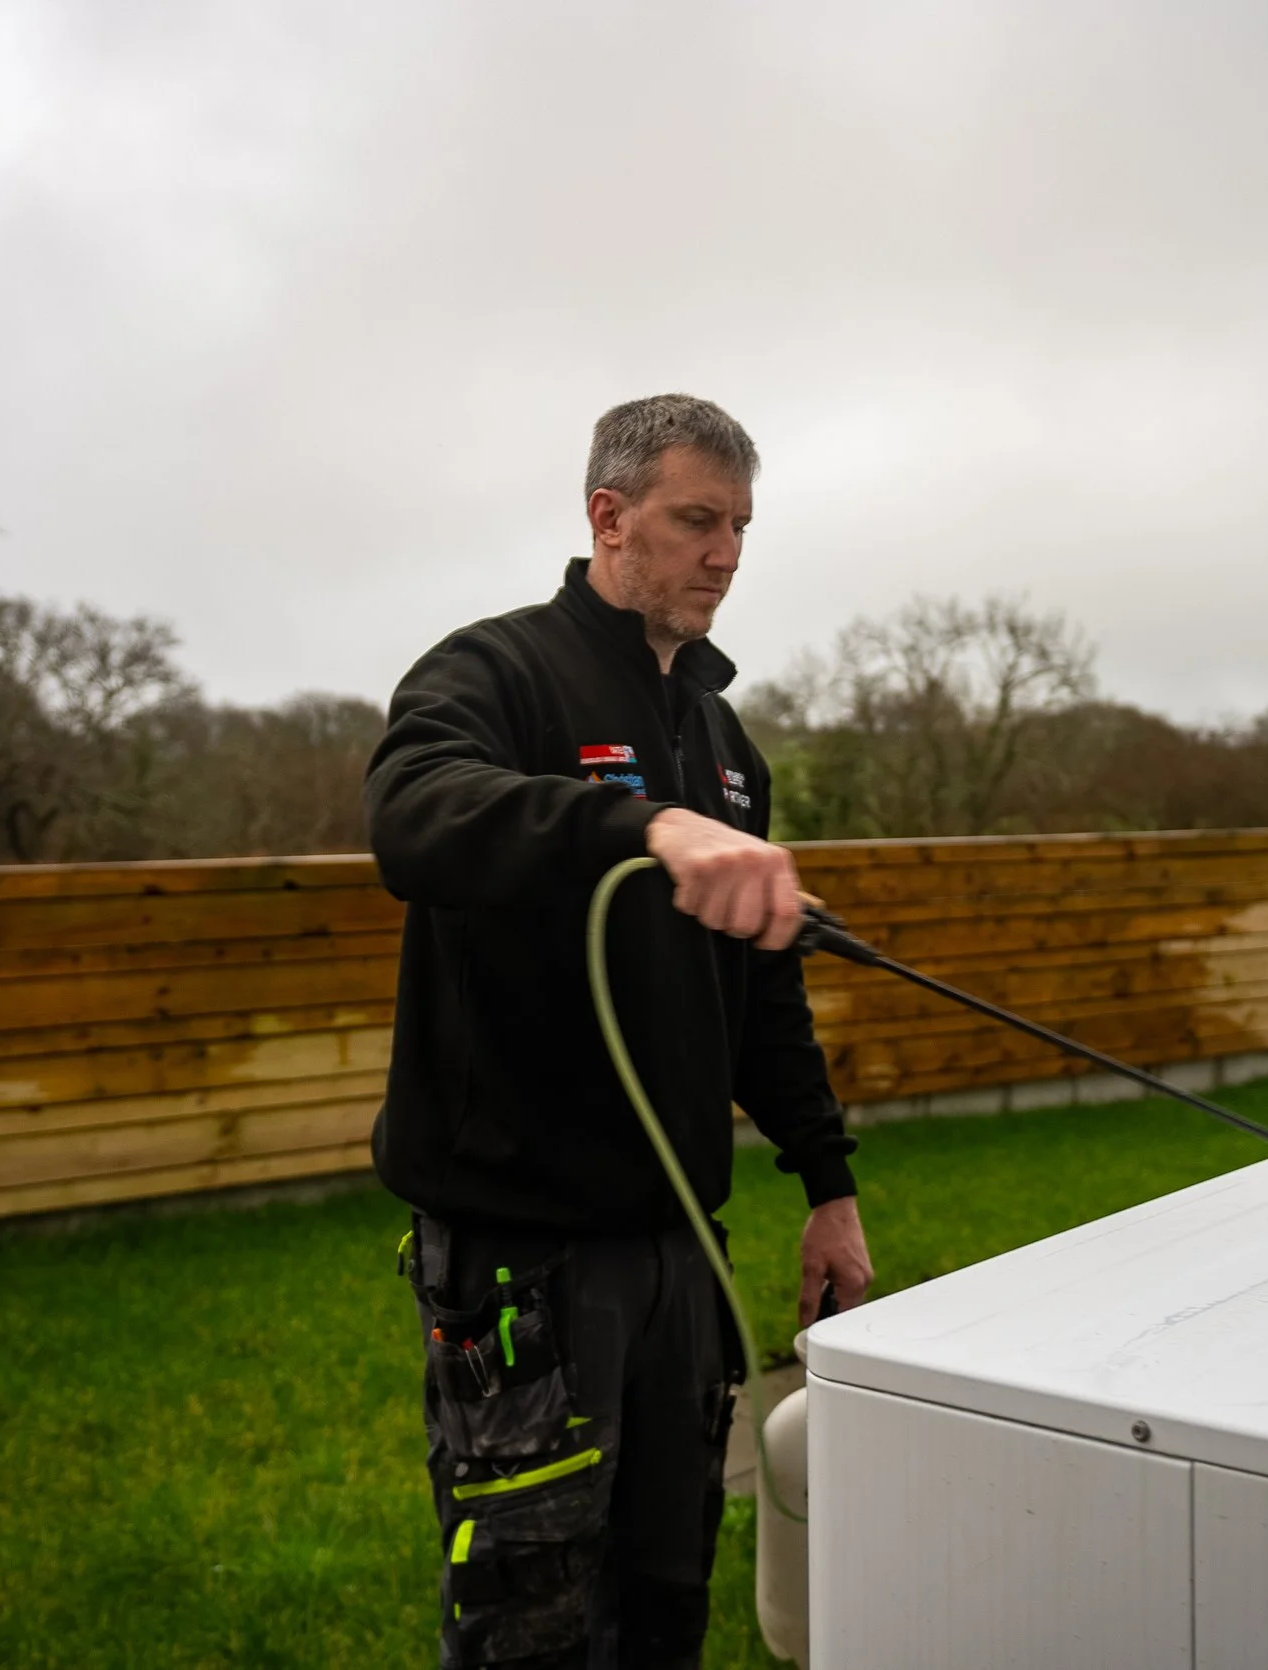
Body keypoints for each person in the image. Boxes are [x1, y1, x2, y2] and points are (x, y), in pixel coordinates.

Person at [365, 393, 876, 1669]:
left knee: (667, 1593)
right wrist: (643, 826)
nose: (727, 554)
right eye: (698, 520)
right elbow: (415, 812)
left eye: (741, 526)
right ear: (609, 515)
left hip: (678, 1251)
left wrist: (827, 1183)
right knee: (532, 1621)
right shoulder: (496, 670)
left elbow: (763, 993)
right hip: (523, 1252)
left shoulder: (722, 738)